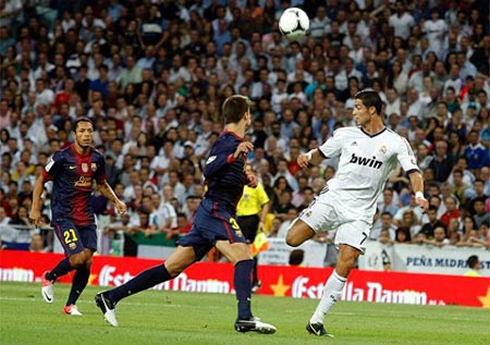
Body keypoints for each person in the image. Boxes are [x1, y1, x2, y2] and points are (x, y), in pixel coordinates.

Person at [95, 95, 276, 334]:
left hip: (209, 212)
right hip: (216, 209)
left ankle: (110, 297)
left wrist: (245, 178)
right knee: (243, 257)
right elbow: (209, 169)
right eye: (249, 113)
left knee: (171, 268)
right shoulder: (228, 141)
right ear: (246, 116)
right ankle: (245, 317)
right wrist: (234, 156)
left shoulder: (235, 143)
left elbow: (222, 173)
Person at [285, 90, 428, 337]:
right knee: (292, 239)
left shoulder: (396, 142)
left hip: (361, 211)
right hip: (334, 199)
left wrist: (419, 195)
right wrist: (307, 157)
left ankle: (316, 320)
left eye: (358, 107)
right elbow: (320, 155)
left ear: (372, 110)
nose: (353, 112)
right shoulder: (345, 134)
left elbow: (414, 172)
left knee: (347, 260)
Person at [29, 117, 127, 315]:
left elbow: (101, 184)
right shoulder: (62, 157)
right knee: (76, 258)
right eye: (82, 131)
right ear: (74, 135)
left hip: (86, 215)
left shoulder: (97, 158)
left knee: (88, 260)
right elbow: (41, 180)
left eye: (90, 131)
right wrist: (35, 208)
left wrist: (116, 201)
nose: (87, 135)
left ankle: (70, 305)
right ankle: (50, 276)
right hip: (64, 214)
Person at [236, 163, 271, 293]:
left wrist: (262, 220)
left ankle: (254, 280)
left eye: (250, 170)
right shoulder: (238, 186)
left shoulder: (255, 186)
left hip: (251, 219)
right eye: (246, 170)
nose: (248, 173)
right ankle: (247, 281)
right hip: (238, 219)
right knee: (240, 251)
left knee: (250, 251)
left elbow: (266, 203)